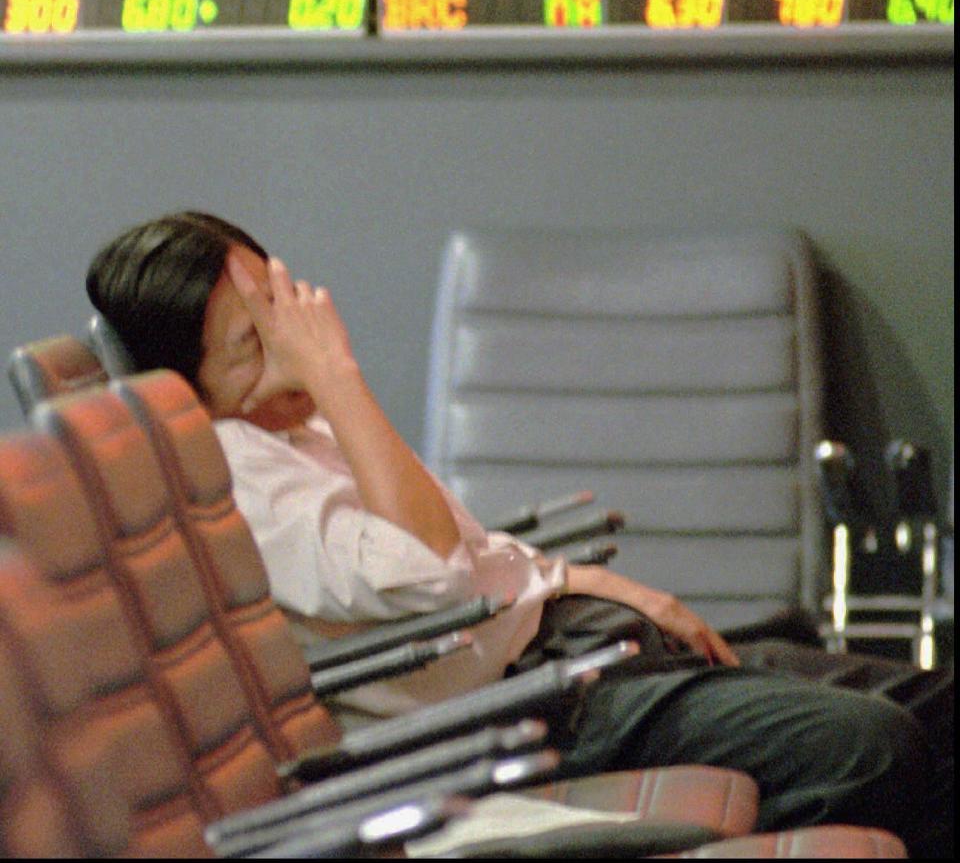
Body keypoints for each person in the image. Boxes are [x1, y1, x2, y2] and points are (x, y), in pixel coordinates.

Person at [86, 211, 953, 857]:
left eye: (278, 300)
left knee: (937, 707)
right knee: (873, 748)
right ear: (189, 388)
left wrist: (588, 582)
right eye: (255, 340)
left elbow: (469, 549)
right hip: (546, 703)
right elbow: (433, 573)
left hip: (579, 642)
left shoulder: (293, 425)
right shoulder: (239, 467)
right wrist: (337, 372)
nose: (292, 338)